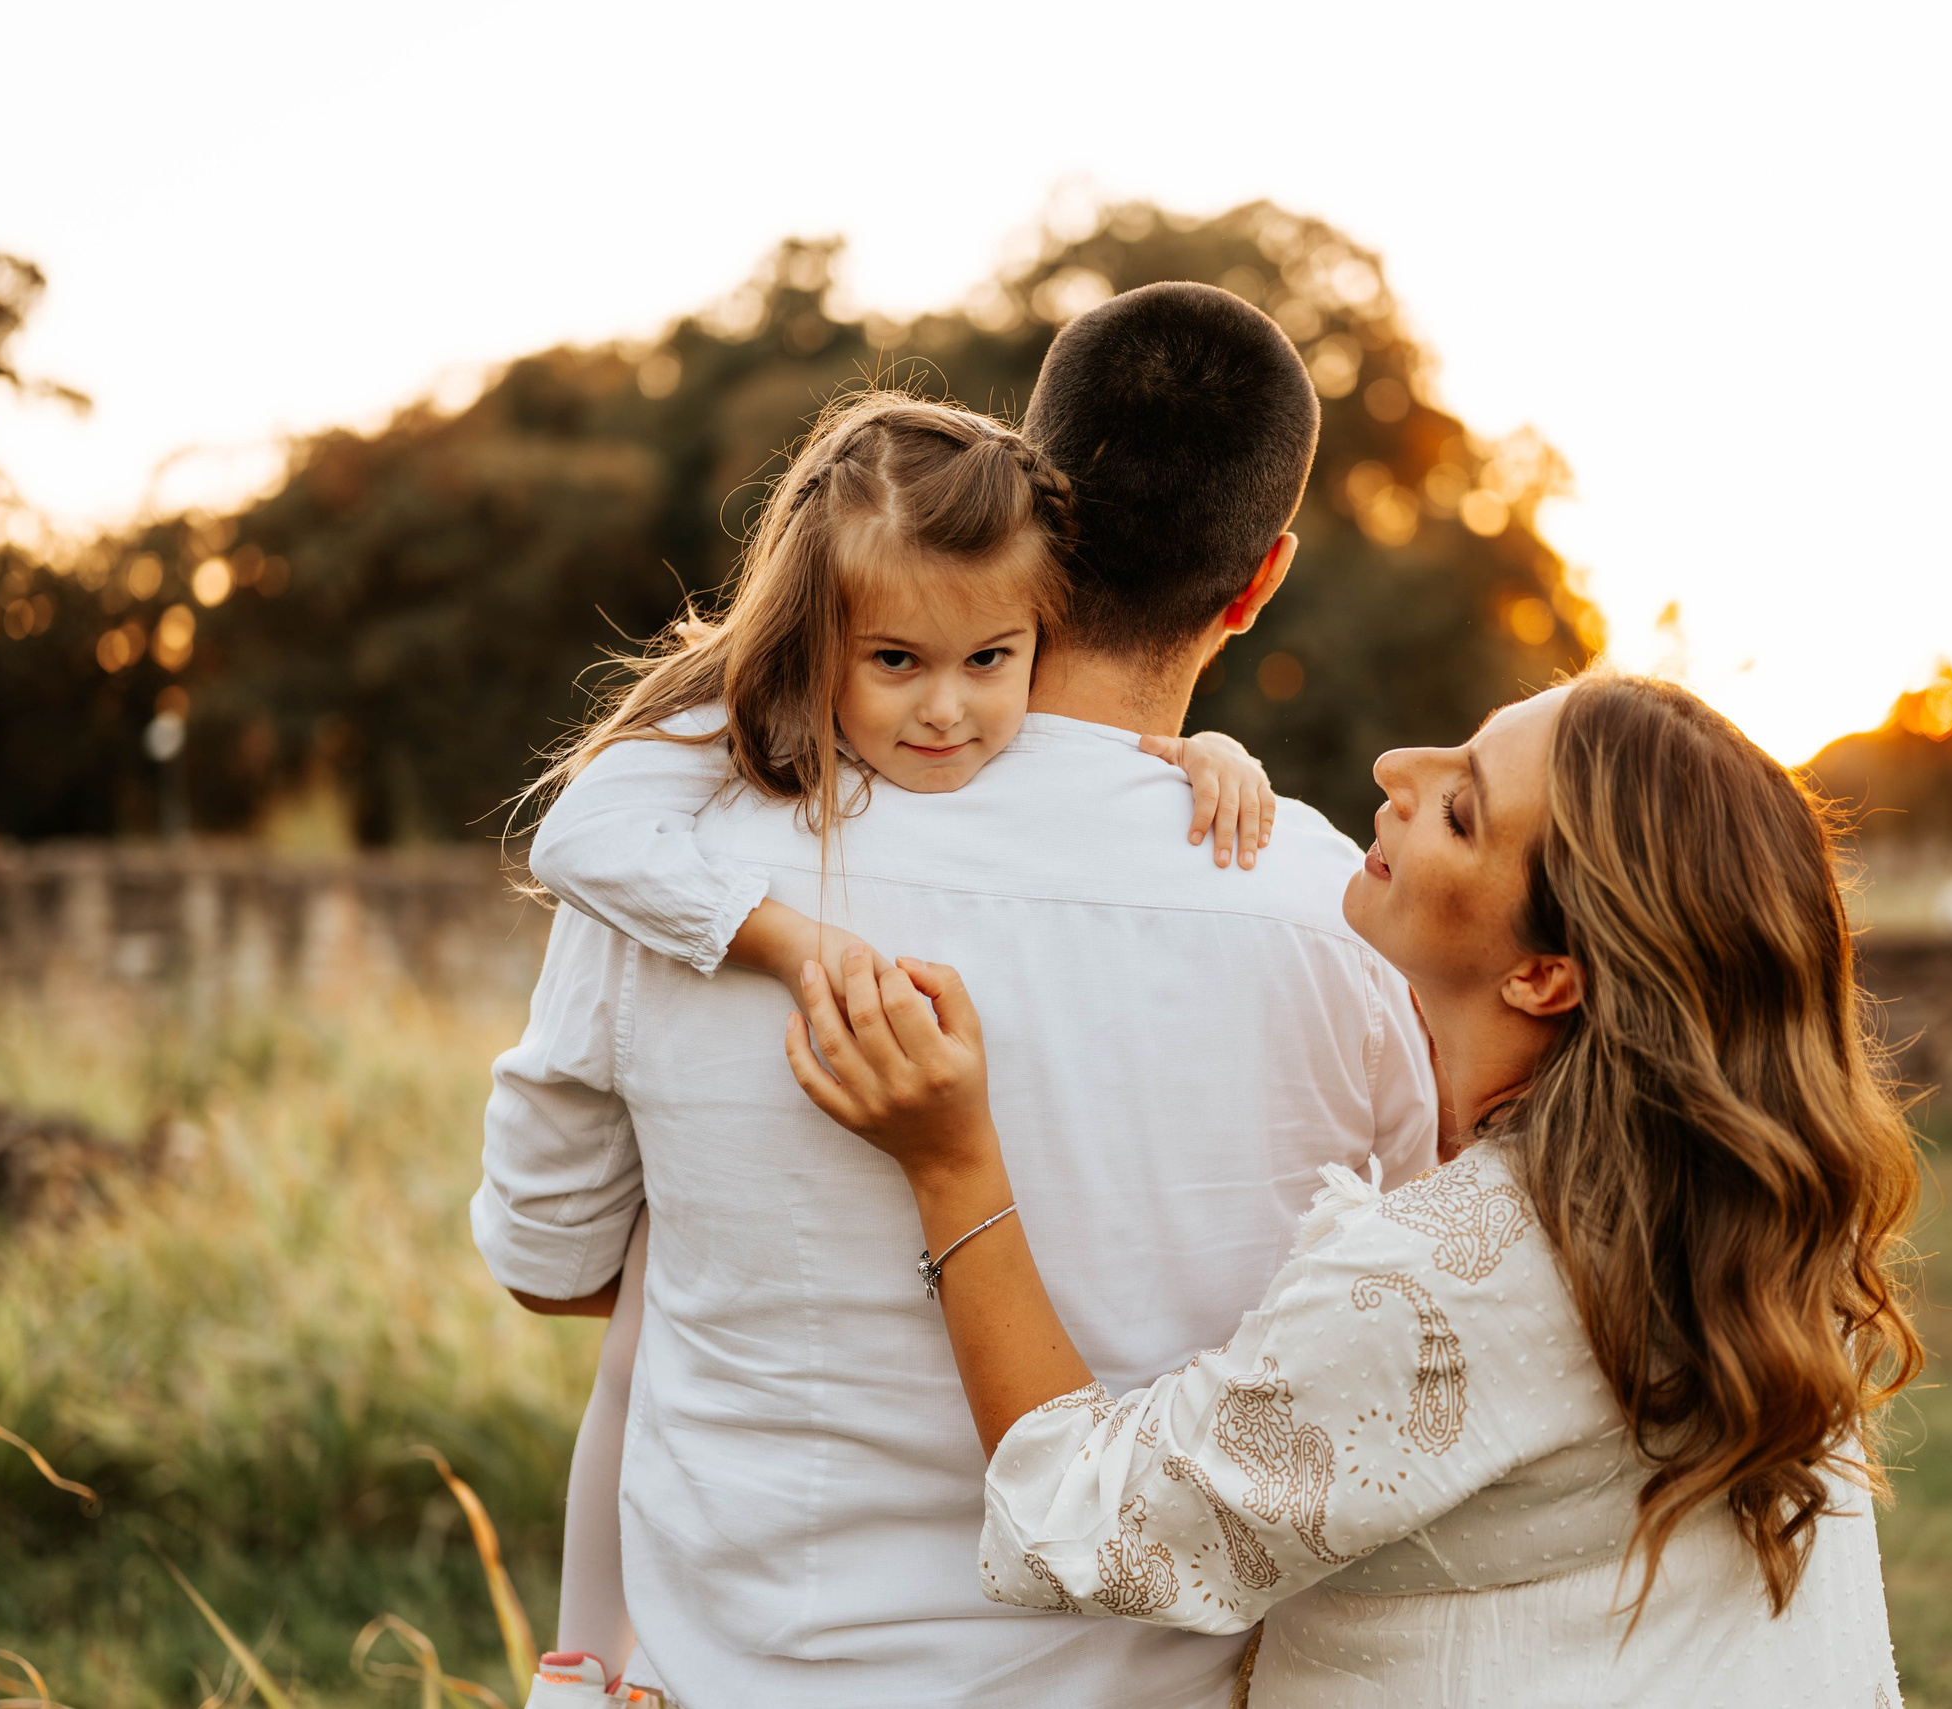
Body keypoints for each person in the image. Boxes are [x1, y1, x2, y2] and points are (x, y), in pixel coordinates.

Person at [472, 283, 1440, 1708]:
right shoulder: (1339, 915)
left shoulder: (685, 864)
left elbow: (547, 1264)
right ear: (1259, 581)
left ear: (1045, 515)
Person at [787, 673, 1926, 1708]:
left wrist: (951, 1163)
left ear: (1543, 974)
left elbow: (1088, 1521)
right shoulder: (1739, 1221)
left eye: (1462, 809)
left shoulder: (1450, 1277)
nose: (1397, 771)